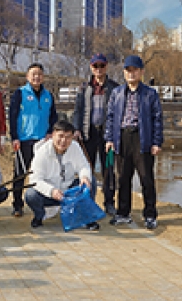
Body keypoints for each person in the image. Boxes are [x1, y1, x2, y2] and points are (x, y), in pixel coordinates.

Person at [105, 55, 163, 230]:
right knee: (123, 178)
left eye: (135, 70)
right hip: (122, 138)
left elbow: (157, 119)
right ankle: (123, 213)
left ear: (141, 72)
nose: (131, 74)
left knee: (146, 178)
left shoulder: (150, 94)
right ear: (124, 73)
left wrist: (156, 142)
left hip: (142, 138)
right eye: (128, 70)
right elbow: (111, 117)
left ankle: (150, 214)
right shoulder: (116, 93)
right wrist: (109, 139)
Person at [24, 120, 100, 230]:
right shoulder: (42, 152)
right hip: (49, 193)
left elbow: (83, 166)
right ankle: (39, 216)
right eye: (60, 136)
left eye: (68, 137)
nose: (63, 141)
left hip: (68, 190)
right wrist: (51, 191)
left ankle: (87, 218)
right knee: (30, 195)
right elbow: (35, 179)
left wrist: (84, 177)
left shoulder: (75, 147)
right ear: (53, 135)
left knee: (90, 180)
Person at [9, 62, 58, 217]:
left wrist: (51, 132)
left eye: (40, 74)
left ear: (43, 77)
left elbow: (53, 117)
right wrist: (14, 137)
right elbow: (12, 116)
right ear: (27, 76)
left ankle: (43, 203)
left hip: (43, 142)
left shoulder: (48, 96)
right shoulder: (20, 93)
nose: (37, 77)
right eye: (33, 74)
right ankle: (17, 204)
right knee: (20, 174)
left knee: (44, 174)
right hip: (24, 140)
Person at [72, 53, 119, 216]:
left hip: (108, 136)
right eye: (95, 66)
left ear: (106, 67)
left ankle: (109, 202)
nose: (98, 69)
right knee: (87, 169)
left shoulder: (114, 88)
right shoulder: (84, 88)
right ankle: (87, 201)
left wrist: (114, 135)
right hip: (88, 133)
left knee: (109, 169)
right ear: (91, 68)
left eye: (102, 66)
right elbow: (77, 110)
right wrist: (76, 129)